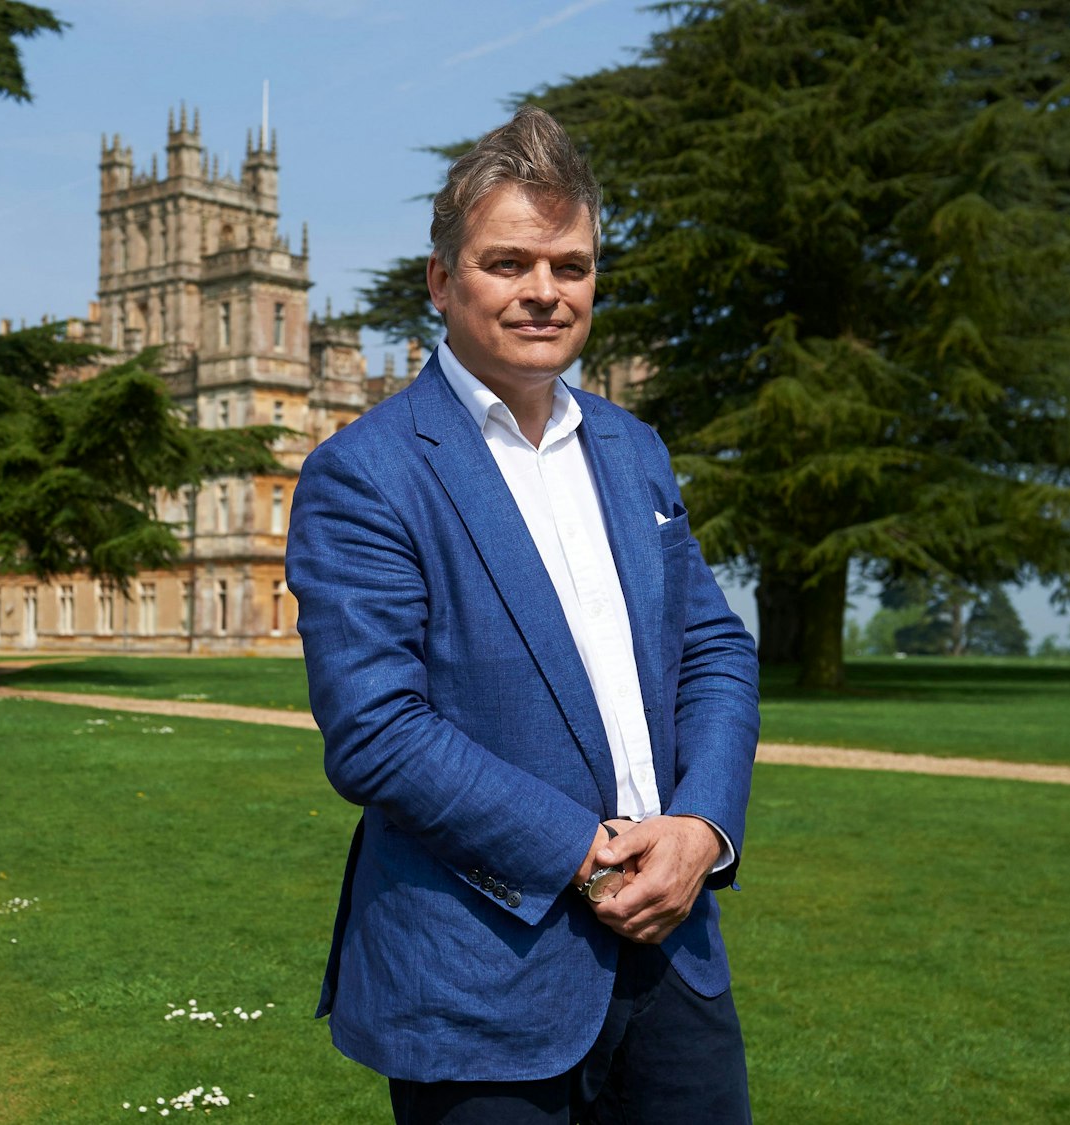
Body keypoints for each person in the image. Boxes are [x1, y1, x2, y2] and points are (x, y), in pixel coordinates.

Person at [284, 106, 761, 1124]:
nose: (544, 292)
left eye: (571, 266)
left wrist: (700, 827)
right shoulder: (363, 474)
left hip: (675, 960)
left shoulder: (632, 451)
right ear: (440, 281)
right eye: (508, 262)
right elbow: (375, 732)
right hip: (479, 975)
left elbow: (713, 648)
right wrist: (589, 855)